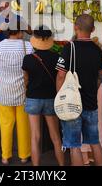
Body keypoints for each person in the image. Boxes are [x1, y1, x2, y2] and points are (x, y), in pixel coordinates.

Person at [56, 14, 102, 166]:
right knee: (94, 142)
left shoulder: (68, 48)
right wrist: (93, 89)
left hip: (71, 105)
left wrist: (60, 97)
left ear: (75, 27)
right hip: (91, 104)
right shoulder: (98, 50)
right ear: (93, 29)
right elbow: (101, 75)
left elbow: (60, 75)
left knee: (74, 146)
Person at [0, 20, 34, 165]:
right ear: (20, 32)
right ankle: (24, 156)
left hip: (4, 93)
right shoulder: (28, 46)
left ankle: (5, 157)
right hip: (23, 93)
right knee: (23, 125)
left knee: (6, 125)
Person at [22, 26, 64, 167]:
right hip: (51, 98)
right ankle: (61, 166)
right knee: (56, 137)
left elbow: (25, 79)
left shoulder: (28, 59)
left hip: (33, 98)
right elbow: (60, 78)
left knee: (35, 137)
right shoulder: (57, 58)